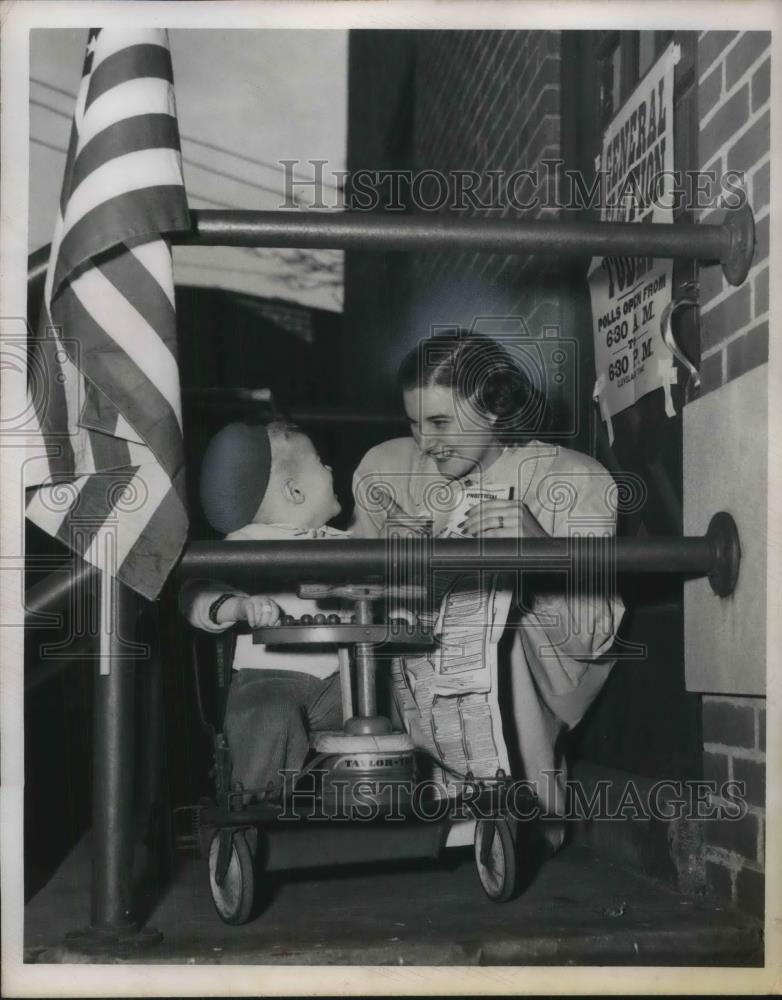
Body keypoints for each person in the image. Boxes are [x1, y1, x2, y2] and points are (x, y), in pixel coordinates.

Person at [351, 331, 625, 853]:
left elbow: (589, 640)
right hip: (407, 668)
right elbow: (345, 597)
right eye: (413, 423)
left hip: (536, 663)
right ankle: (390, 808)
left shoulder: (575, 478)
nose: (425, 442)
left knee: (496, 619)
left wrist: (541, 554)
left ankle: (510, 813)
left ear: (494, 407)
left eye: (440, 422)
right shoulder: (386, 469)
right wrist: (382, 561)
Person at [180, 420, 347, 801]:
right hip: (270, 677)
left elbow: (378, 589)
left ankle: (376, 799)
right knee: (268, 715)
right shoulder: (244, 544)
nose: (330, 467)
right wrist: (240, 606)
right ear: (295, 490)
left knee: (387, 707)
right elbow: (194, 594)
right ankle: (249, 809)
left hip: (343, 679)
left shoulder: (346, 542)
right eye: (320, 462)